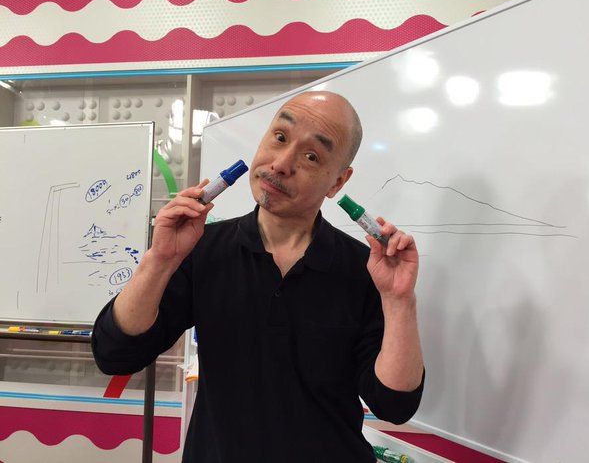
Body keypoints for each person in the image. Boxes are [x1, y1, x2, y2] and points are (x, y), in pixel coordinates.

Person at [92, 91, 425, 462]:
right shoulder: (201, 248)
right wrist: (159, 260)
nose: (281, 164)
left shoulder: (366, 268)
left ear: (337, 182)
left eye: (311, 156)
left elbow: (394, 404)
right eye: (280, 137)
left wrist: (399, 300)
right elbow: (114, 354)